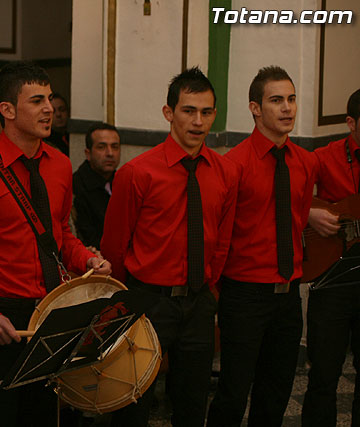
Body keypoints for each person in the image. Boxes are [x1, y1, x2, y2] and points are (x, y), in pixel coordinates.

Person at [0, 61, 109, 427]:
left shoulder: (61, 165)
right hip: (3, 314)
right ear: (7, 109)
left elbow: (60, 233)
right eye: (36, 101)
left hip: (52, 310)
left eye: (49, 99)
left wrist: (86, 259)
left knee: (42, 415)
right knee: (1, 416)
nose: (49, 108)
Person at [100, 67, 237, 427]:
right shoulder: (137, 173)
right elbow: (114, 244)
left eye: (206, 112)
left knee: (192, 403)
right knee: (133, 403)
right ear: (168, 113)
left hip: (198, 300)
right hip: (148, 301)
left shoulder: (224, 172)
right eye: (188, 110)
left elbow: (222, 240)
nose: (198, 121)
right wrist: (125, 302)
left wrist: (210, 291)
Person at [206, 66, 318, 427]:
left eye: (291, 99)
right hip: (245, 294)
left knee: (276, 391)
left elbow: (298, 221)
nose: (287, 108)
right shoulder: (233, 164)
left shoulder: (305, 162)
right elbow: (218, 235)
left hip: (287, 296)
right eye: (276, 101)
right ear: (255, 108)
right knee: (234, 392)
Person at [301, 88, 360, 427]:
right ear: (350, 123)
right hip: (330, 277)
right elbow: (290, 199)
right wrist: (309, 212)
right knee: (324, 373)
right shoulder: (322, 157)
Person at [73, 122, 121, 249]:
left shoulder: (122, 181)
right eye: (101, 147)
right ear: (88, 153)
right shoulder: (77, 187)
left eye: (115, 147)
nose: (110, 153)